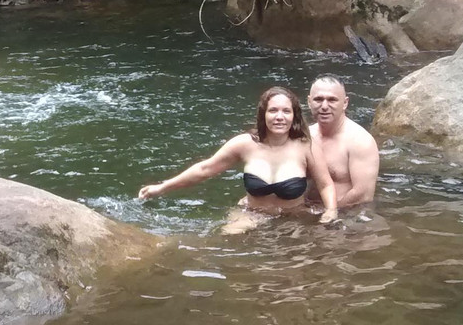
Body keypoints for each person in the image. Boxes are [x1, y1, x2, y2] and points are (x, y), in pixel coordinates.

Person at [138, 86, 338, 233]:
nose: (279, 117)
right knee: (229, 238)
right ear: (263, 114)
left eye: (286, 111)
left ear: (294, 117)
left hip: (294, 218)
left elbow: (325, 184)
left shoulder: (307, 146)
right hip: (252, 214)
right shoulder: (244, 144)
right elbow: (204, 169)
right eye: (273, 110)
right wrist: (161, 188)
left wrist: (331, 212)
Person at [306, 75, 380, 208]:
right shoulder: (304, 136)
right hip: (308, 211)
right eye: (318, 99)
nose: (324, 106)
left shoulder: (360, 141)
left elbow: (363, 195)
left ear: (345, 103)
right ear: (309, 102)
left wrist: (330, 213)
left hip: (346, 215)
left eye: (332, 100)